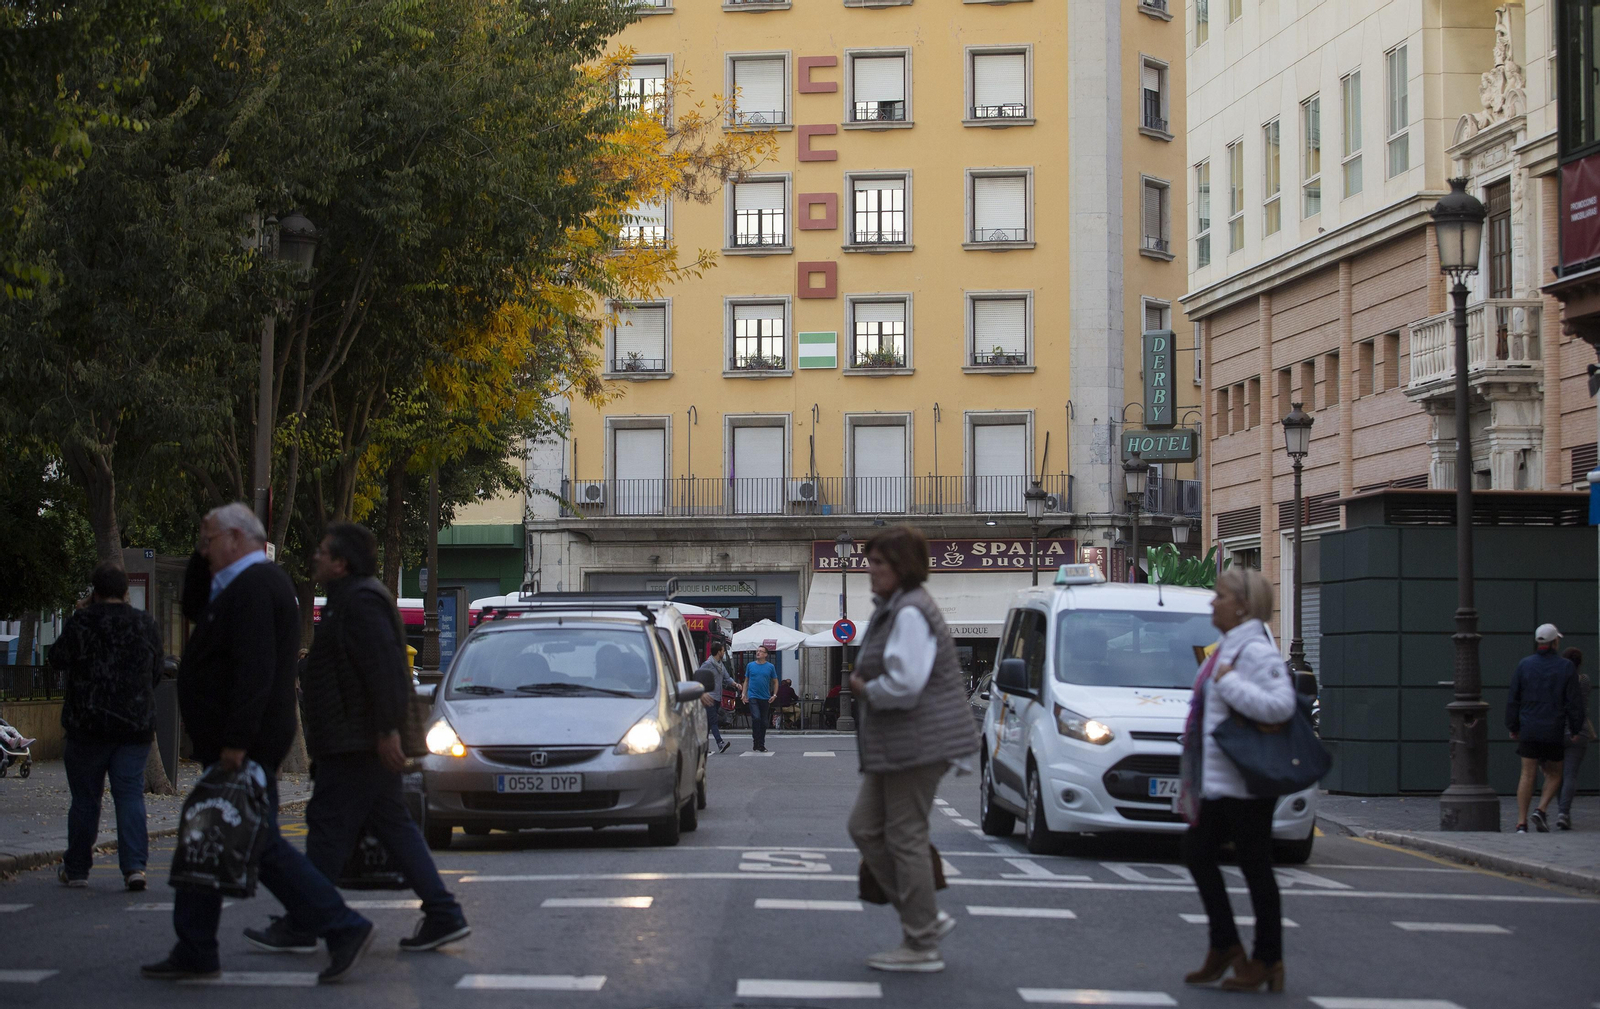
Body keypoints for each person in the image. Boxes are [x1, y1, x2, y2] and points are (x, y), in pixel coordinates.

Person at [142, 503, 374, 984]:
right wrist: (200, 551)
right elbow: (192, 605)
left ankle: (342, 924)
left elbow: (256, 669)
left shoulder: (256, 586)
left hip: (244, 744)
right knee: (209, 832)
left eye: (208, 540)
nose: (202, 549)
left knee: (256, 842)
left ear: (234, 537)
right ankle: (195, 945)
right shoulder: (239, 583)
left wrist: (236, 741)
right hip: (237, 741)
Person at [244, 522, 469, 956]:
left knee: (328, 830)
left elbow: (384, 671)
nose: (315, 558)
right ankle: (442, 913)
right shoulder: (351, 599)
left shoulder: (360, 601)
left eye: (323, 552)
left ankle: (308, 921)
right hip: (356, 738)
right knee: (390, 827)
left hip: (358, 741)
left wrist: (386, 732)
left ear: (341, 562)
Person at [845, 525, 979, 973]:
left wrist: (866, 688)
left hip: (918, 743)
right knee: (866, 828)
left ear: (900, 567)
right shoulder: (898, 608)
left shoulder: (909, 613)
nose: (869, 570)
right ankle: (924, 919)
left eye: (878, 563)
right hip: (899, 745)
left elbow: (905, 684)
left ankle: (921, 942)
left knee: (904, 836)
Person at [1179, 567, 1296, 994]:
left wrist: (1227, 684)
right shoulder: (1227, 647)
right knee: (1203, 853)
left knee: (1251, 864)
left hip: (1245, 781)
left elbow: (1280, 706)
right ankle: (1230, 946)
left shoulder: (1255, 652)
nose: (1213, 602)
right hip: (1222, 777)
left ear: (1243, 605)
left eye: (1221, 595)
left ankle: (1262, 957)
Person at [49, 562, 164, 891]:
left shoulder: (82, 622)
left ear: (94, 592)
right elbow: (155, 672)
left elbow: (57, 658)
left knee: (85, 798)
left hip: (88, 725)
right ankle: (134, 867)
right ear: (126, 591)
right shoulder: (144, 624)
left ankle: (77, 868)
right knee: (129, 794)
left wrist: (80, 613)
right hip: (134, 725)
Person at [1507, 624, 1584, 833]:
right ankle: (1540, 810)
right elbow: (1574, 702)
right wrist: (1576, 729)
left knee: (1527, 774)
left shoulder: (1524, 665)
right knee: (1555, 773)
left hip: (1529, 728)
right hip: (1553, 729)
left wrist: (1513, 726)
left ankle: (1521, 823)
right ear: (1554, 643)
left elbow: (1514, 699)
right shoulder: (1566, 667)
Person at [1557, 647, 1595, 830]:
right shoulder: (1585, 681)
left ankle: (1560, 810)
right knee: (1570, 774)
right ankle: (1563, 813)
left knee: (1557, 774)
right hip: (1579, 731)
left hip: (1557, 731)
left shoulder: (1557, 680)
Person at [695, 641, 733, 754]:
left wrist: (735, 684)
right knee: (713, 720)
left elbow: (727, 677)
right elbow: (698, 676)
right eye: (723, 650)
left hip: (717, 697)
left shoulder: (720, 664)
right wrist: (702, 692)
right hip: (709, 697)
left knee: (707, 723)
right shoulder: (708, 664)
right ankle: (720, 743)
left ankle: (702, 746)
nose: (724, 652)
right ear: (718, 652)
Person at [743, 646, 778, 752]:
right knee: (756, 718)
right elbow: (746, 680)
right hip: (753, 696)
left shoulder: (770, 667)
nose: (758, 653)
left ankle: (761, 744)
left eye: (761, 651)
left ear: (766, 654)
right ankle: (756, 741)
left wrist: (775, 694)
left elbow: (775, 681)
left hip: (765, 697)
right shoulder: (750, 665)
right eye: (757, 651)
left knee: (764, 722)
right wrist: (744, 693)